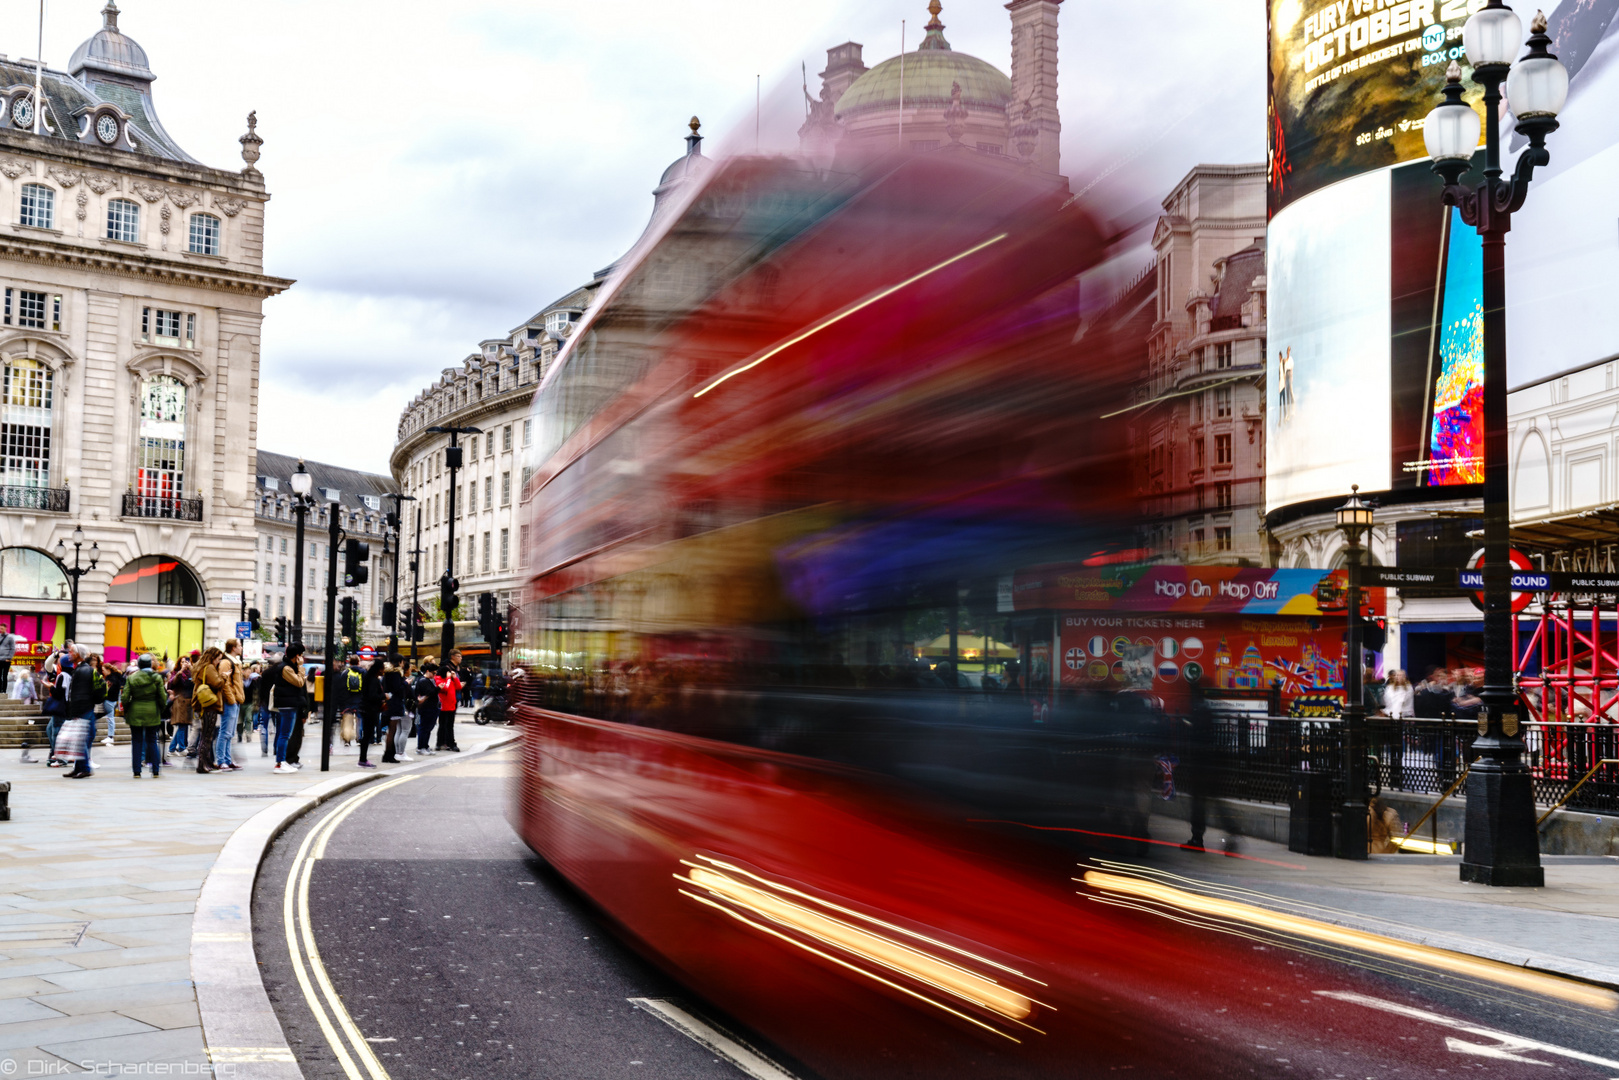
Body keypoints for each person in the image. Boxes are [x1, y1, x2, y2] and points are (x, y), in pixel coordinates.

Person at [122, 653, 169, 778]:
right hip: (152, 711)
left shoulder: (132, 678)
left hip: (135, 711)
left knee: (136, 741)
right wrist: (160, 709)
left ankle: (137, 771)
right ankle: (155, 770)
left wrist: (127, 710)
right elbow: (162, 697)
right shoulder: (157, 678)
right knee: (152, 740)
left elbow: (125, 697)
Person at [269, 645, 307, 773]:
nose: (301, 658)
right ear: (297, 656)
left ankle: (282, 761)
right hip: (287, 704)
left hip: (289, 702)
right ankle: (280, 763)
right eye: (301, 655)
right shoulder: (286, 668)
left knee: (285, 734)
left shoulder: (288, 667)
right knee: (284, 734)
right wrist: (301, 668)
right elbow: (299, 682)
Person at [63, 645, 99, 779]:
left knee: (80, 739)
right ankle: (79, 767)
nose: (69, 654)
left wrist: (75, 711)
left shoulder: (82, 670)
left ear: (79, 654)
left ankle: (84, 768)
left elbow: (79, 693)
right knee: (82, 739)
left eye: (71, 651)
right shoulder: (82, 669)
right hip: (85, 708)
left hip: (82, 709)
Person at [192, 647, 226, 774]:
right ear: (213, 657)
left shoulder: (201, 666)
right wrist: (224, 677)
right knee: (207, 736)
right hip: (209, 705)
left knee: (206, 735)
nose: (219, 661)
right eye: (218, 658)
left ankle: (207, 763)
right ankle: (202, 765)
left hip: (204, 706)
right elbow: (217, 683)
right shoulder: (209, 667)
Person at [216, 640, 244, 772]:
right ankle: (221, 760)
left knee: (230, 732)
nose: (241, 647)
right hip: (231, 701)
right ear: (233, 648)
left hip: (235, 700)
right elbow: (224, 683)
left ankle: (227, 759)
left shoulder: (233, 662)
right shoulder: (226, 662)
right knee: (225, 732)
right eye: (239, 645)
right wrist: (232, 699)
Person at [382, 655, 411, 764]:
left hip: (389, 703)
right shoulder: (395, 674)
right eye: (403, 662)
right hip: (394, 704)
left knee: (392, 731)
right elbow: (397, 689)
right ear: (400, 662)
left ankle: (388, 754)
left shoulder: (387, 673)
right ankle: (389, 755)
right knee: (392, 731)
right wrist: (405, 683)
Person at [358, 657, 385, 769]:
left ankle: (363, 759)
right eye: (383, 668)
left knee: (367, 736)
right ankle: (362, 760)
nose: (384, 670)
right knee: (367, 736)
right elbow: (372, 696)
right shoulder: (374, 680)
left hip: (366, 709)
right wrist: (384, 696)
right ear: (379, 669)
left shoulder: (368, 678)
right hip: (370, 710)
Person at [436, 652, 463, 752]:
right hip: (444, 704)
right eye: (458, 656)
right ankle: (443, 743)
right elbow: (445, 688)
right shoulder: (440, 678)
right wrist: (448, 678)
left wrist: (455, 678)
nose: (461, 658)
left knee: (449, 724)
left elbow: (459, 687)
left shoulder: (452, 676)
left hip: (451, 702)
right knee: (443, 724)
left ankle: (445, 743)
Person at [167, 657, 194, 757]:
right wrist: (181, 671)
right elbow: (172, 683)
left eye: (186, 662)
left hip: (188, 701)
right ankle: (181, 748)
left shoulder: (191, 672)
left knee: (183, 725)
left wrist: (191, 668)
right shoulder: (176, 673)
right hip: (180, 701)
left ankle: (172, 749)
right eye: (182, 662)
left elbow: (196, 680)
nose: (184, 664)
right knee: (182, 725)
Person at [414, 660, 440, 755]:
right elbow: (429, 692)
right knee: (424, 728)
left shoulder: (427, 680)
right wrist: (438, 688)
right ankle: (421, 747)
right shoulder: (423, 681)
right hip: (426, 707)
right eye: (433, 673)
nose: (434, 675)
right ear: (428, 671)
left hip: (431, 707)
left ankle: (425, 746)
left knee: (428, 728)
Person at [0, 624, 18, 694]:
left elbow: (13, 648)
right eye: (0, 628)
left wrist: (9, 658)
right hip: (0, 659)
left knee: (4, 675)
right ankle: (0, 690)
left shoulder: (10, 637)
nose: (1, 630)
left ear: (5, 629)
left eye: (2, 628)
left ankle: (4, 690)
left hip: (6, 659)